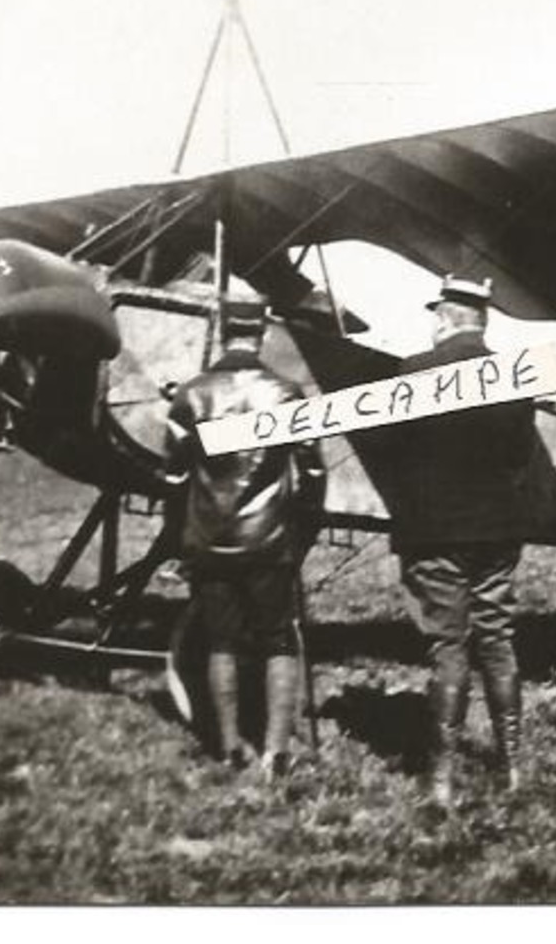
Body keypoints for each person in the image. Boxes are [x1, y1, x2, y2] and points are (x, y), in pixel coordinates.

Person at [389, 275, 539, 802]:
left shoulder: (413, 372)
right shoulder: (513, 376)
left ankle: (441, 779)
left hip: (434, 533)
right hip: (497, 532)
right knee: (497, 640)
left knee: (448, 648)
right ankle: (514, 768)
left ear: (446, 316)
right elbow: (521, 457)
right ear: (483, 319)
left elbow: (397, 456)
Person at [164, 294, 326, 778]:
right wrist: (304, 530)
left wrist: (179, 539)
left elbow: (173, 479)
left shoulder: (190, 396)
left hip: (209, 540)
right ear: (262, 335)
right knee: (279, 641)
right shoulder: (286, 392)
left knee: (221, 642)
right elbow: (313, 473)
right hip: (269, 539)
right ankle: (277, 751)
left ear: (222, 330)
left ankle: (230, 746)